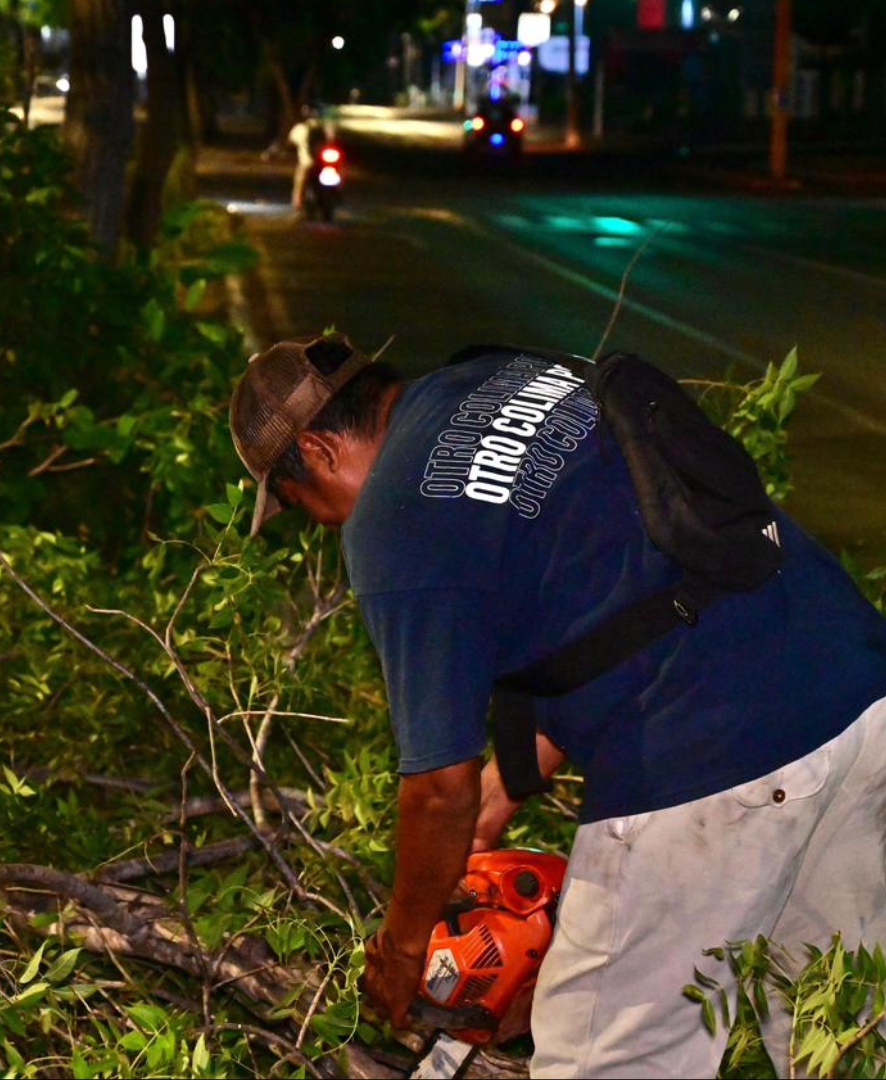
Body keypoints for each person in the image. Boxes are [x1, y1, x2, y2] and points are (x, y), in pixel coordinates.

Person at [228, 332, 886, 1079]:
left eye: (296, 503)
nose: (323, 525)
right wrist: (499, 796)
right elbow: (613, 597)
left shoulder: (393, 520)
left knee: (600, 1059)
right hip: (854, 686)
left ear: (315, 452)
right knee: (842, 1029)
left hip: (708, 756)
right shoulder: (497, 372)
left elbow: (437, 791)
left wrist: (404, 951)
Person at [287, 106, 324, 213]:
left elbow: (290, 143)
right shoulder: (320, 128)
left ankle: (297, 202)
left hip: (306, 162)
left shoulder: (300, 128)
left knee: (299, 181)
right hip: (321, 164)